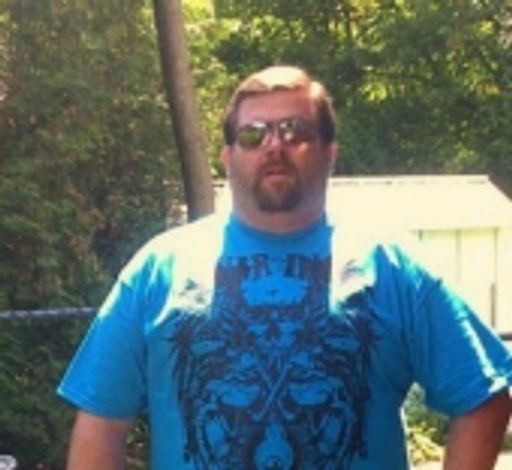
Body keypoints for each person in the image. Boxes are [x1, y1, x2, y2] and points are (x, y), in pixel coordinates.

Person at [58, 65, 512, 469]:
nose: (274, 145)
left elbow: (484, 396)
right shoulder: (157, 270)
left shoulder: (392, 266)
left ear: (330, 152)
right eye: (253, 134)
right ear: (228, 156)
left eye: (294, 131)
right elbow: (101, 421)